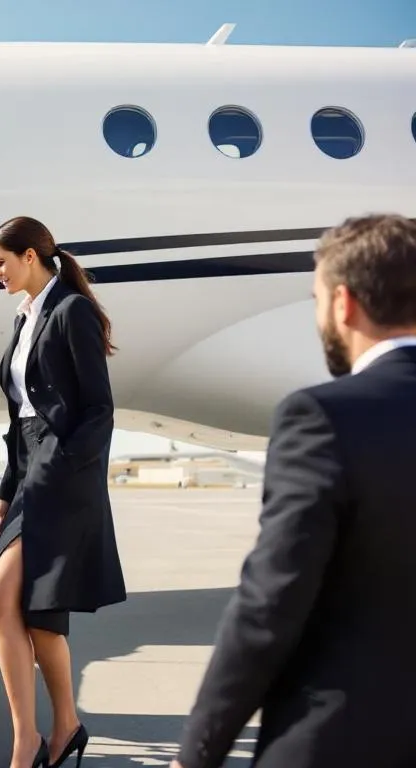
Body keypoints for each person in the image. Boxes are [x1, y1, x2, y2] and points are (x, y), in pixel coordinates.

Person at [171, 213, 416, 768]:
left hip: (345, 742)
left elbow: (271, 604)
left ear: (343, 304)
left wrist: (198, 752)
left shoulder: (323, 417)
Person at [0, 215, 127, 768]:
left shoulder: (72, 312)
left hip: (62, 473)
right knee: (30, 609)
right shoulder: (26, 318)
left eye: (1, 261)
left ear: (31, 257)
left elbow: (98, 410)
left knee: (7, 594)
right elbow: (20, 418)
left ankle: (30, 740)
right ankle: (61, 727)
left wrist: (58, 468)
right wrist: (4, 490)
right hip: (29, 470)